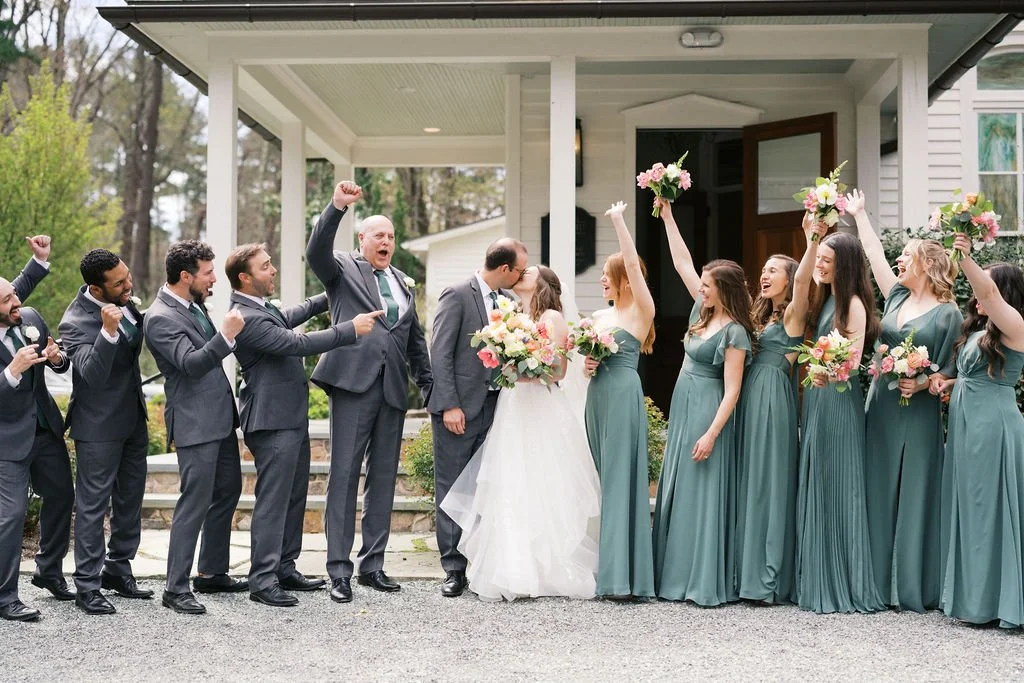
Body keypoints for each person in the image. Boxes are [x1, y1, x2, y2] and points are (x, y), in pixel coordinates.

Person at [227, 244, 383, 607]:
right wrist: (350, 329)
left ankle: (285, 567)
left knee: (294, 497)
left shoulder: (262, 307)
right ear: (245, 278)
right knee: (273, 500)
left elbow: (297, 312)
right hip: (270, 420)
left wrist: (337, 289)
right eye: (266, 267)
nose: (274, 270)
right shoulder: (244, 316)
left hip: (289, 418)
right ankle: (263, 580)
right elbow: (294, 343)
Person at [439, 266, 601, 601]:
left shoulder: (553, 317)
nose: (521, 274)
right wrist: (506, 363)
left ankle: (547, 570)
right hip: (512, 407)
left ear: (542, 283)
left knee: (541, 481)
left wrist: (522, 372)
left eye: (528, 272)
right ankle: (512, 570)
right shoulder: (513, 315)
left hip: (541, 406)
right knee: (511, 482)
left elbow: (558, 370)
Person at [306, 182, 433, 604]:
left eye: (392, 236)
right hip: (353, 384)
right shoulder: (342, 269)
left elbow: (415, 342)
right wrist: (337, 207)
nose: (387, 241)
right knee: (343, 477)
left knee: (382, 480)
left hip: (393, 391)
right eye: (379, 234)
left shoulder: (403, 283)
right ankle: (338, 571)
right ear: (363, 239)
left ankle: (372, 565)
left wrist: (432, 391)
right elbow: (316, 252)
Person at [847, 190, 963, 612]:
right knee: (876, 486)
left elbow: (954, 369)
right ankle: (874, 582)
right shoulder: (895, 297)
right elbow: (877, 257)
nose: (900, 260)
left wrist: (930, 379)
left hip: (920, 414)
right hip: (880, 405)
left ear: (926, 265)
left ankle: (911, 585)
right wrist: (860, 216)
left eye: (908, 256)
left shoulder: (948, 314)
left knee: (915, 491)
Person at [651, 198, 753, 606]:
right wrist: (670, 216)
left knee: (702, 491)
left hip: (709, 410)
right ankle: (670, 575)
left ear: (722, 290)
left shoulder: (735, 333)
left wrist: (712, 433)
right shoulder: (702, 310)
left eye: (707, 285)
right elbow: (682, 262)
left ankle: (699, 580)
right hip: (683, 406)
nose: (701, 288)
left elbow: (732, 390)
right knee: (678, 485)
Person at [144, 240, 247, 615]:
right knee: (195, 502)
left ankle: (212, 571)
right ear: (185, 275)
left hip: (218, 420)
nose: (214, 279)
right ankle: (175, 587)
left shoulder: (192, 305)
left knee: (228, 491)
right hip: (195, 423)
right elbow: (190, 364)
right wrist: (227, 336)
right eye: (208, 272)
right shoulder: (159, 318)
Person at [931, 233, 1024, 630]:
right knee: (969, 506)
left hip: (993, 427)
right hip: (967, 425)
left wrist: (965, 256)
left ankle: (994, 601)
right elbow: (974, 373)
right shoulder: (977, 330)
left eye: (985, 286)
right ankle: (970, 597)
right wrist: (947, 384)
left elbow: (986, 289)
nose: (976, 295)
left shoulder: (1015, 324)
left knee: (989, 508)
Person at [428, 237, 528, 597]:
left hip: (497, 408)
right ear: (504, 268)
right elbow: (438, 354)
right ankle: (453, 569)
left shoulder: (508, 302)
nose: (521, 276)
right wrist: (449, 404)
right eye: (519, 270)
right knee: (452, 486)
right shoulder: (456, 294)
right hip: (460, 410)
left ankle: (483, 562)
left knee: (486, 486)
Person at [734, 215, 826, 605]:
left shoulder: (793, 314)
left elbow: (805, 281)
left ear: (789, 278)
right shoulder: (758, 315)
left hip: (772, 395)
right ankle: (745, 568)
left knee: (769, 480)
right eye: (763, 270)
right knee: (750, 479)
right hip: (750, 394)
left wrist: (810, 240)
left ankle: (767, 576)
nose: (764, 275)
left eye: (773, 270)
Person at [59, 249, 153, 615]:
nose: (129, 285)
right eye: (120, 283)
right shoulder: (74, 322)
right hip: (97, 426)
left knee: (130, 501)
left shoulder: (126, 302)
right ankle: (87, 584)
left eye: (127, 276)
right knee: (93, 506)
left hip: (132, 419)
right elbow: (91, 374)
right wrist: (108, 331)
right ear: (96, 289)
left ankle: (119, 567)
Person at [795, 231, 884, 614]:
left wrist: (823, 371)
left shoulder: (853, 305)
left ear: (844, 265)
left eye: (827, 260)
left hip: (837, 398)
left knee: (837, 480)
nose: (820, 264)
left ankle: (843, 578)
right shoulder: (827, 299)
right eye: (820, 259)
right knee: (817, 476)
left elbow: (852, 361)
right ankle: (814, 574)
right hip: (817, 396)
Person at [583, 201, 657, 600]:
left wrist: (616, 220)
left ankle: (621, 577)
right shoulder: (597, 317)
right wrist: (588, 365)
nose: (603, 283)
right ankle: (606, 566)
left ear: (625, 280)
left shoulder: (641, 313)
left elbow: (630, 262)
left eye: (607, 277)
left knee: (620, 481)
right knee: (601, 478)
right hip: (596, 398)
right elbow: (584, 367)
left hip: (624, 396)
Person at [0, 240, 72, 622]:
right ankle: (5, 596)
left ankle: (49, 570)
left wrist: (58, 357)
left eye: (15, 293)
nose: (16, 302)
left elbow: (58, 361)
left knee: (62, 495)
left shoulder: (26, 316)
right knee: (10, 516)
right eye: (8, 299)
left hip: (44, 428)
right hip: (6, 438)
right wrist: (12, 370)